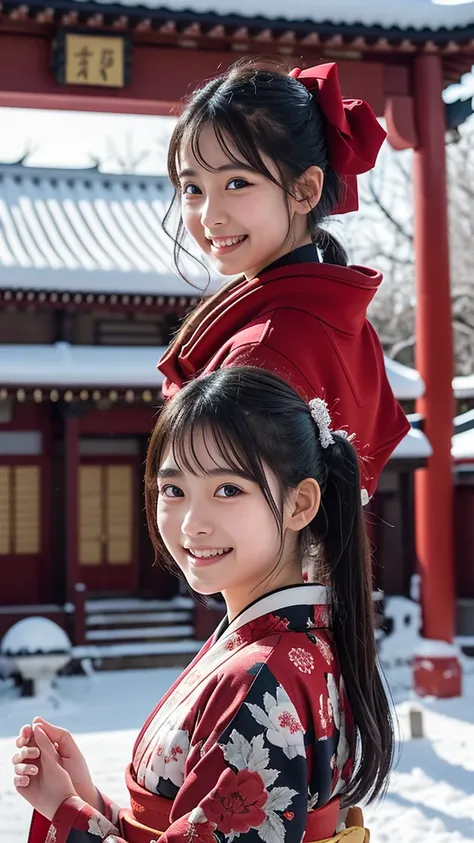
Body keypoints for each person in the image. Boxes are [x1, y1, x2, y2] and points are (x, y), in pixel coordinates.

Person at [14, 367, 393, 843]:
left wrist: (64, 810)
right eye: (173, 490)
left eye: (228, 490)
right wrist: (91, 800)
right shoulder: (299, 644)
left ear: (300, 504)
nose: (192, 524)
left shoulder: (259, 676)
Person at [158, 60, 410, 503]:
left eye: (237, 182)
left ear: (304, 191)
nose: (209, 216)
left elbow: (236, 521)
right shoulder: (346, 323)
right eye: (192, 188)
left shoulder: (262, 346)